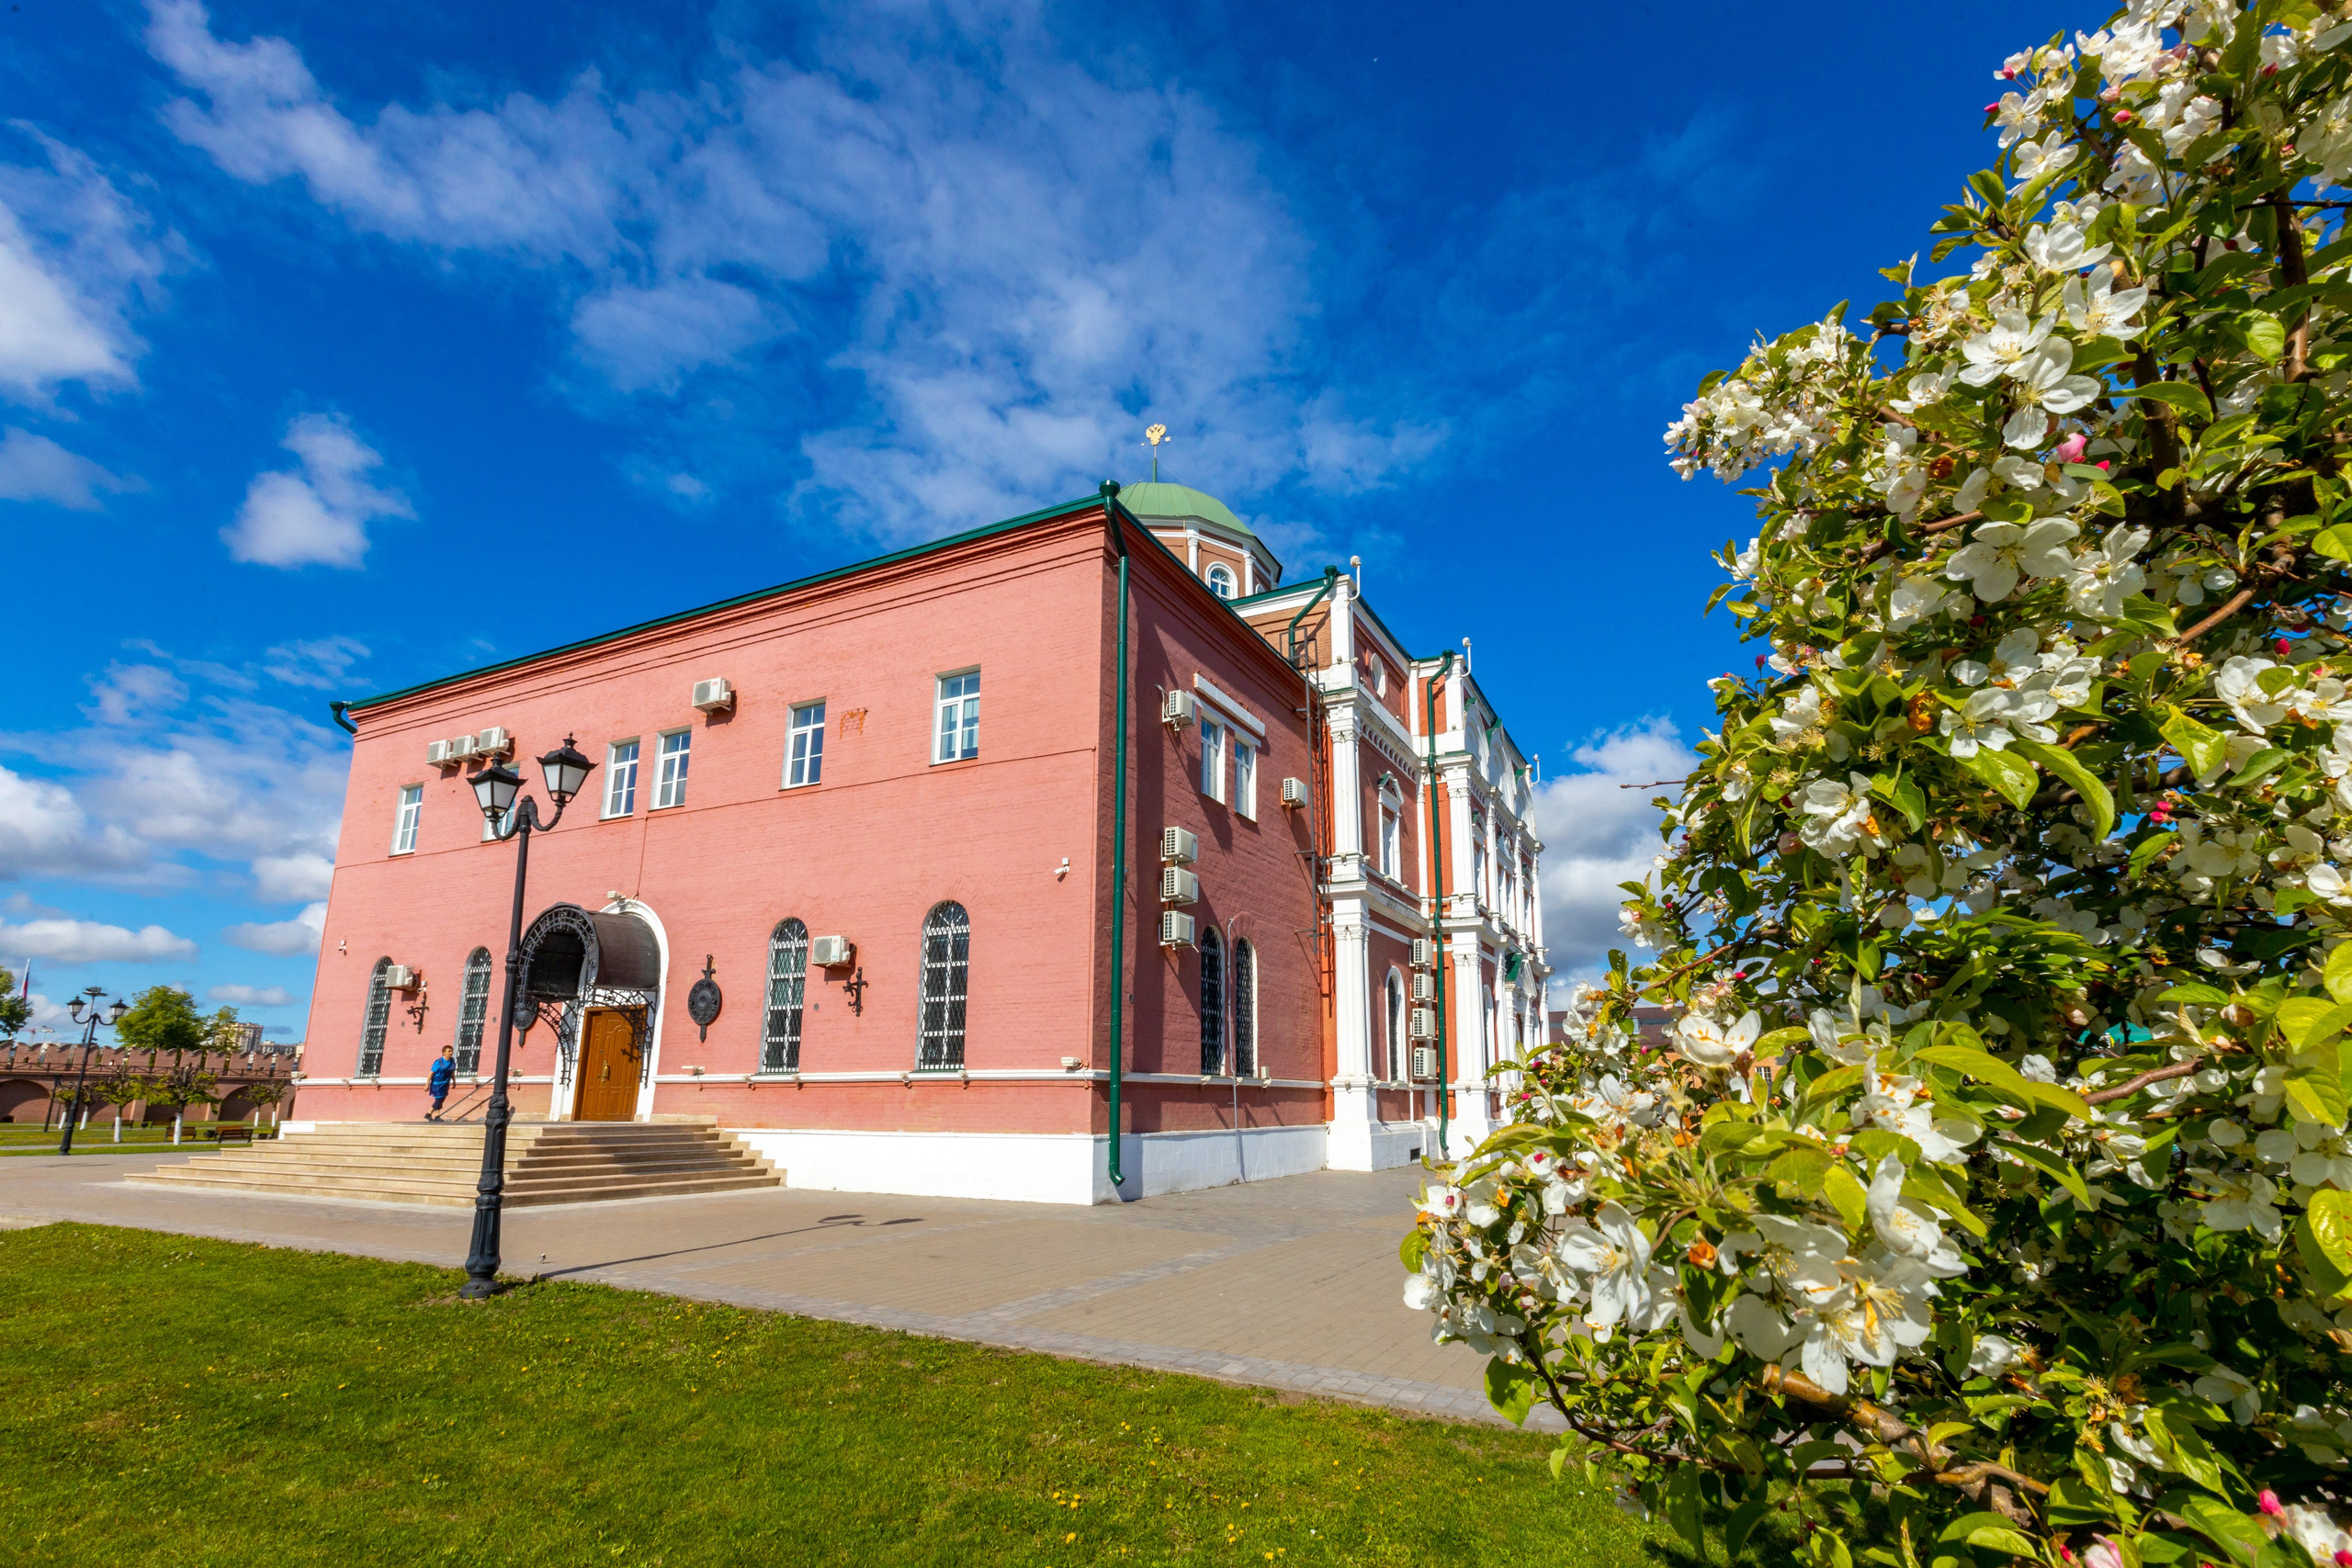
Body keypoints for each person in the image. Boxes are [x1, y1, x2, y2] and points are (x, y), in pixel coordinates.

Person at [427, 1045, 456, 1121]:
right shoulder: (439, 1062)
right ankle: (437, 1116)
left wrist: (454, 1081)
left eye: (451, 1051)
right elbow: (431, 1073)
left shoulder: (452, 1061)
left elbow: (452, 1072)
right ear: (444, 1053)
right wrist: (427, 1085)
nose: (451, 1053)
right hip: (437, 1084)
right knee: (439, 1099)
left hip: (445, 1083)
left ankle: (428, 1114)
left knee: (442, 1098)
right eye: (449, 1051)